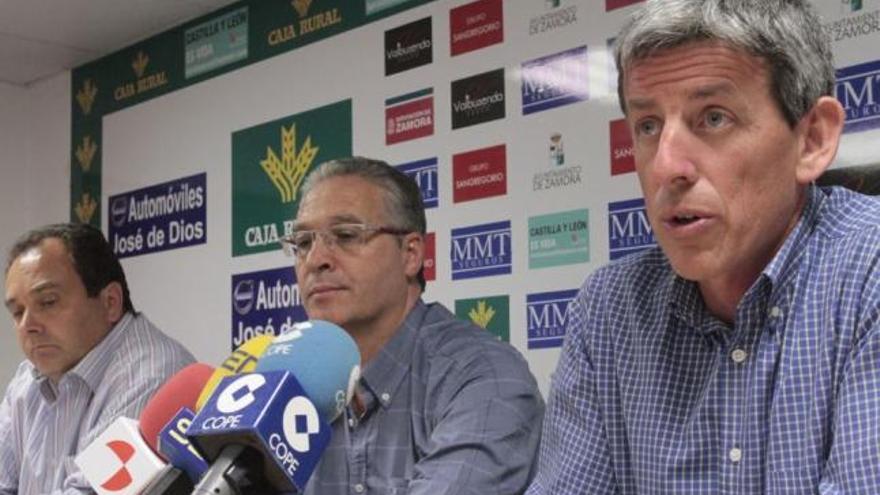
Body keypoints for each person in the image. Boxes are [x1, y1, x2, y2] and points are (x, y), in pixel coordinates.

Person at [527, 0, 880, 493]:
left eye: (714, 118)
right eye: (648, 126)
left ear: (813, 140)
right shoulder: (610, 309)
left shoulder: (870, 269)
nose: (666, 166)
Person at [283, 157, 544, 494]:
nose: (316, 260)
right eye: (303, 242)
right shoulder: (287, 389)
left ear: (411, 254)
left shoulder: (484, 377)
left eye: (346, 235)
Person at [0, 223, 195, 494]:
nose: (27, 325)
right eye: (17, 312)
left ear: (110, 302)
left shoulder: (152, 376)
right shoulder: (27, 379)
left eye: (47, 302)